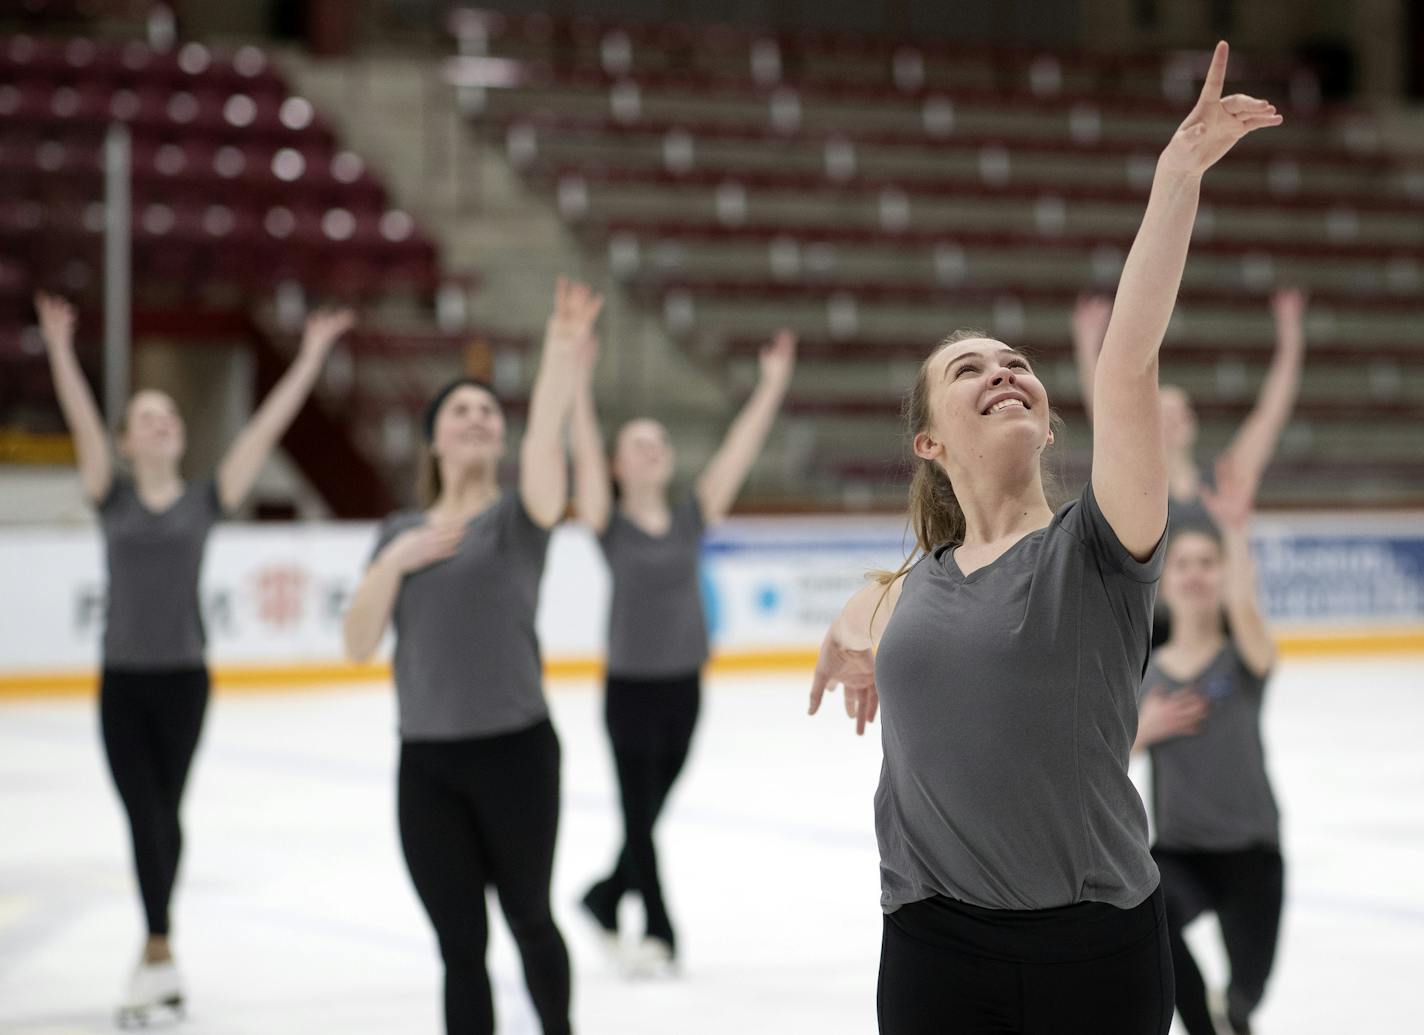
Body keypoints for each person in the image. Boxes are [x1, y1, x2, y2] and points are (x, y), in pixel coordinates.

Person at [806, 43, 1281, 1034]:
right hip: (933, 946)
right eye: (969, 367)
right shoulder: (913, 580)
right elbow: (892, 594)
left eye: (1016, 362)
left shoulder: (1097, 552)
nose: (1003, 370)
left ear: (1049, 421)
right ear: (928, 441)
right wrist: (854, 618)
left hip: (1094, 949)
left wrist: (1174, 179)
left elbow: (1126, 365)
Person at [34, 291, 351, 1025]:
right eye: (147, 417)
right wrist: (58, 349)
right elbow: (80, 418)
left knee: (165, 814)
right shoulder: (110, 497)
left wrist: (307, 358)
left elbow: (265, 427)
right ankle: (158, 947)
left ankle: (156, 948)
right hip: (120, 683)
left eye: (170, 417)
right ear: (125, 440)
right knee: (143, 813)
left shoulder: (205, 500)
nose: (162, 423)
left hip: (184, 681)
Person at [343, 278, 603, 1035]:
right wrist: (396, 562)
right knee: (460, 947)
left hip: (516, 754)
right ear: (434, 437)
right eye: (461, 410)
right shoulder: (396, 532)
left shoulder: (517, 522)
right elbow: (357, 644)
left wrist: (558, 351)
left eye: (489, 411)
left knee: (528, 917)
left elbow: (546, 436)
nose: (479, 418)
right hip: (426, 766)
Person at [570, 330, 797, 973]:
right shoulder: (606, 523)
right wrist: (580, 385)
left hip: (684, 690)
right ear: (619, 465)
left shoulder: (693, 515)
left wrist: (771, 385)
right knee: (638, 814)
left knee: (650, 808)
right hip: (628, 690)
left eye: (659, 442)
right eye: (638, 444)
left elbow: (737, 451)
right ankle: (661, 929)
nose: (653, 450)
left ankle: (605, 897)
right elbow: (582, 456)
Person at [1134, 455, 1283, 1035]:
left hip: (1252, 853)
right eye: (1184, 565)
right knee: (1151, 923)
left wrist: (1236, 531)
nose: (1196, 574)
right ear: (1166, 581)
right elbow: (1102, 759)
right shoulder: (1145, 673)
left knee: (1246, 998)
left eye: (1208, 564)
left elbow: (1245, 611)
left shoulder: (1243, 659)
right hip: (1179, 852)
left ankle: (1233, 1016)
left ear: (1222, 575)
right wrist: (1147, 730)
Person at [1072, 287, 1307, 539]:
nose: (1173, 420)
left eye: (1181, 413)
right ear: (1147, 425)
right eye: (1164, 414)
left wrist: (1290, 337)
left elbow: (1269, 417)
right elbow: (1106, 414)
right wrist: (1085, 345)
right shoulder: (1137, 485)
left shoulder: (1224, 482)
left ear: (1192, 423)